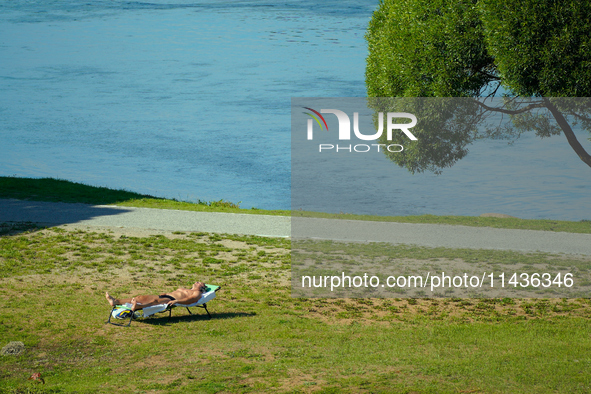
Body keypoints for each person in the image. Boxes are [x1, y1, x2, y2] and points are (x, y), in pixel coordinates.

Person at [105, 282, 207, 311]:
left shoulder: (197, 293)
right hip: (166, 296)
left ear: (201, 287)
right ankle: (116, 301)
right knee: (140, 297)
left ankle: (138, 307)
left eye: (199, 282)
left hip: (171, 300)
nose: (196, 282)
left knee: (154, 301)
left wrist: (177, 302)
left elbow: (190, 300)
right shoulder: (188, 289)